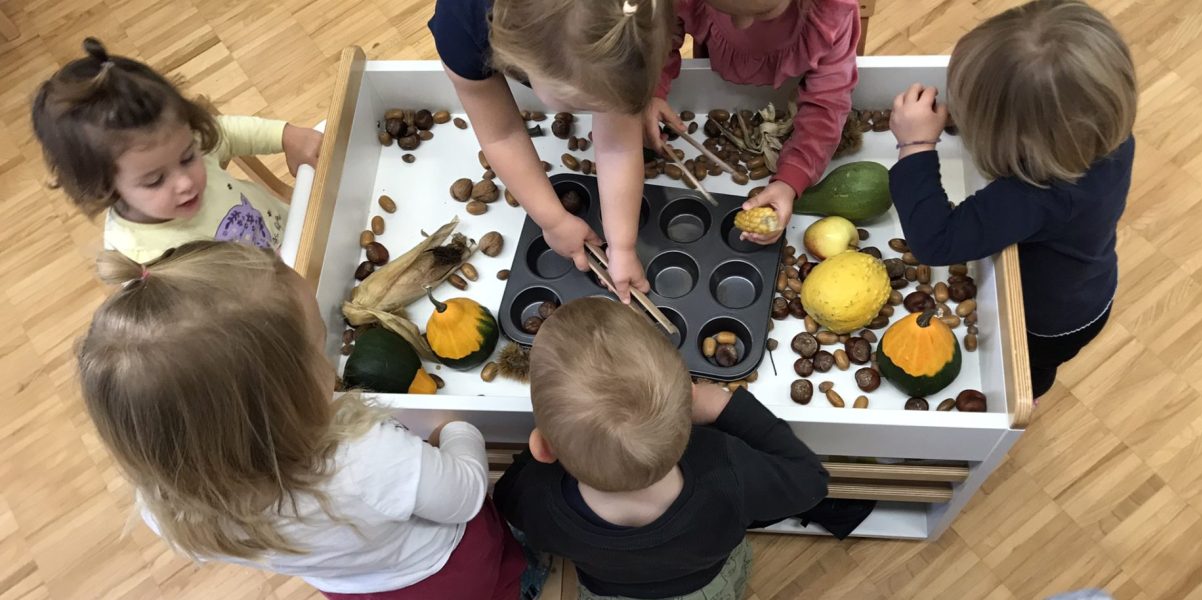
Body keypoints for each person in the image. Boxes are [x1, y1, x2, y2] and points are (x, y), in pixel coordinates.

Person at [77, 241, 525, 599]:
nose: (330, 361)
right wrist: (459, 429)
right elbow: (464, 497)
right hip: (444, 570)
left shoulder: (171, 504)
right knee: (493, 576)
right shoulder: (364, 458)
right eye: (317, 347)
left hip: (355, 583)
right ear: (278, 402)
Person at [494, 297, 828, 599]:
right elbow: (810, 481)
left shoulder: (537, 496)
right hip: (706, 584)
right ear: (688, 413)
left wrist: (541, 454)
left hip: (607, 590)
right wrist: (728, 409)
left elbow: (507, 501)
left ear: (543, 447)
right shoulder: (729, 467)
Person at [886, 0, 1137, 398]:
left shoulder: (1033, 196)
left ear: (1011, 139)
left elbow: (935, 241)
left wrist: (916, 145)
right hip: (1092, 289)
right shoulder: (1107, 139)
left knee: (1027, 378)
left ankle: (1032, 392)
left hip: (1046, 322)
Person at [429, 0, 674, 302]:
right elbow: (502, 134)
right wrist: (553, 220)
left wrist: (622, 245)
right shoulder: (463, 24)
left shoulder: (630, 21)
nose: (602, 115)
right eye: (581, 107)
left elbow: (617, 146)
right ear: (520, 57)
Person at [31, 38, 322, 264]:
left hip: (301, 231)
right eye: (155, 180)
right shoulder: (142, 258)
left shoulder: (178, 150)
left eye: (187, 156)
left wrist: (286, 135)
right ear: (106, 187)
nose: (185, 182)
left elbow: (228, 134)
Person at [646, 0, 861, 244]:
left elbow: (826, 105)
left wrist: (791, 179)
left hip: (800, 97)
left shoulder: (832, 12)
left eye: (764, 12)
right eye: (725, 10)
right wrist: (653, 89)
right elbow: (663, 33)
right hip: (715, 79)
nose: (741, 24)